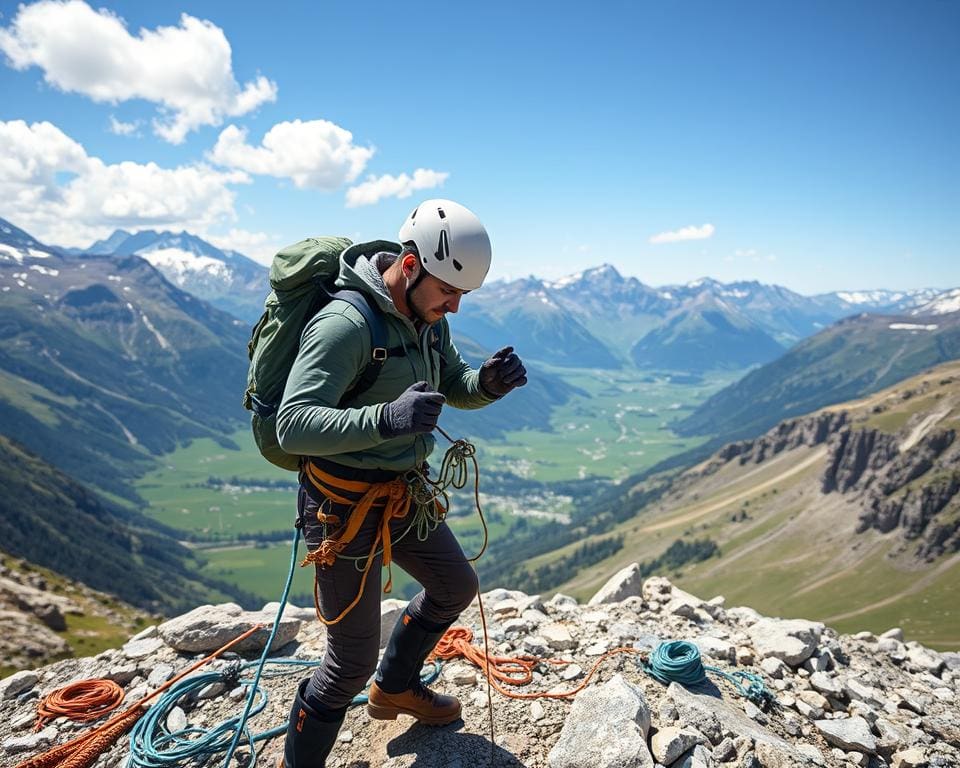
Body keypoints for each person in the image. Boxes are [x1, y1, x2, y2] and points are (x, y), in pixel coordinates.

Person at [275, 199, 527, 767]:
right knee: (348, 663)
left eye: (462, 294)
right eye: (448, 290)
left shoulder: (424, 319)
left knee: (455, 586)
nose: (455, 306)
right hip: (340, 508)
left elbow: (449, 384)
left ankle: (396, 687)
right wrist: (385, 419)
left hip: (399, 492)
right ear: (409, 267)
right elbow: (292, 425)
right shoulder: (345, 324)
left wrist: (484, 383)